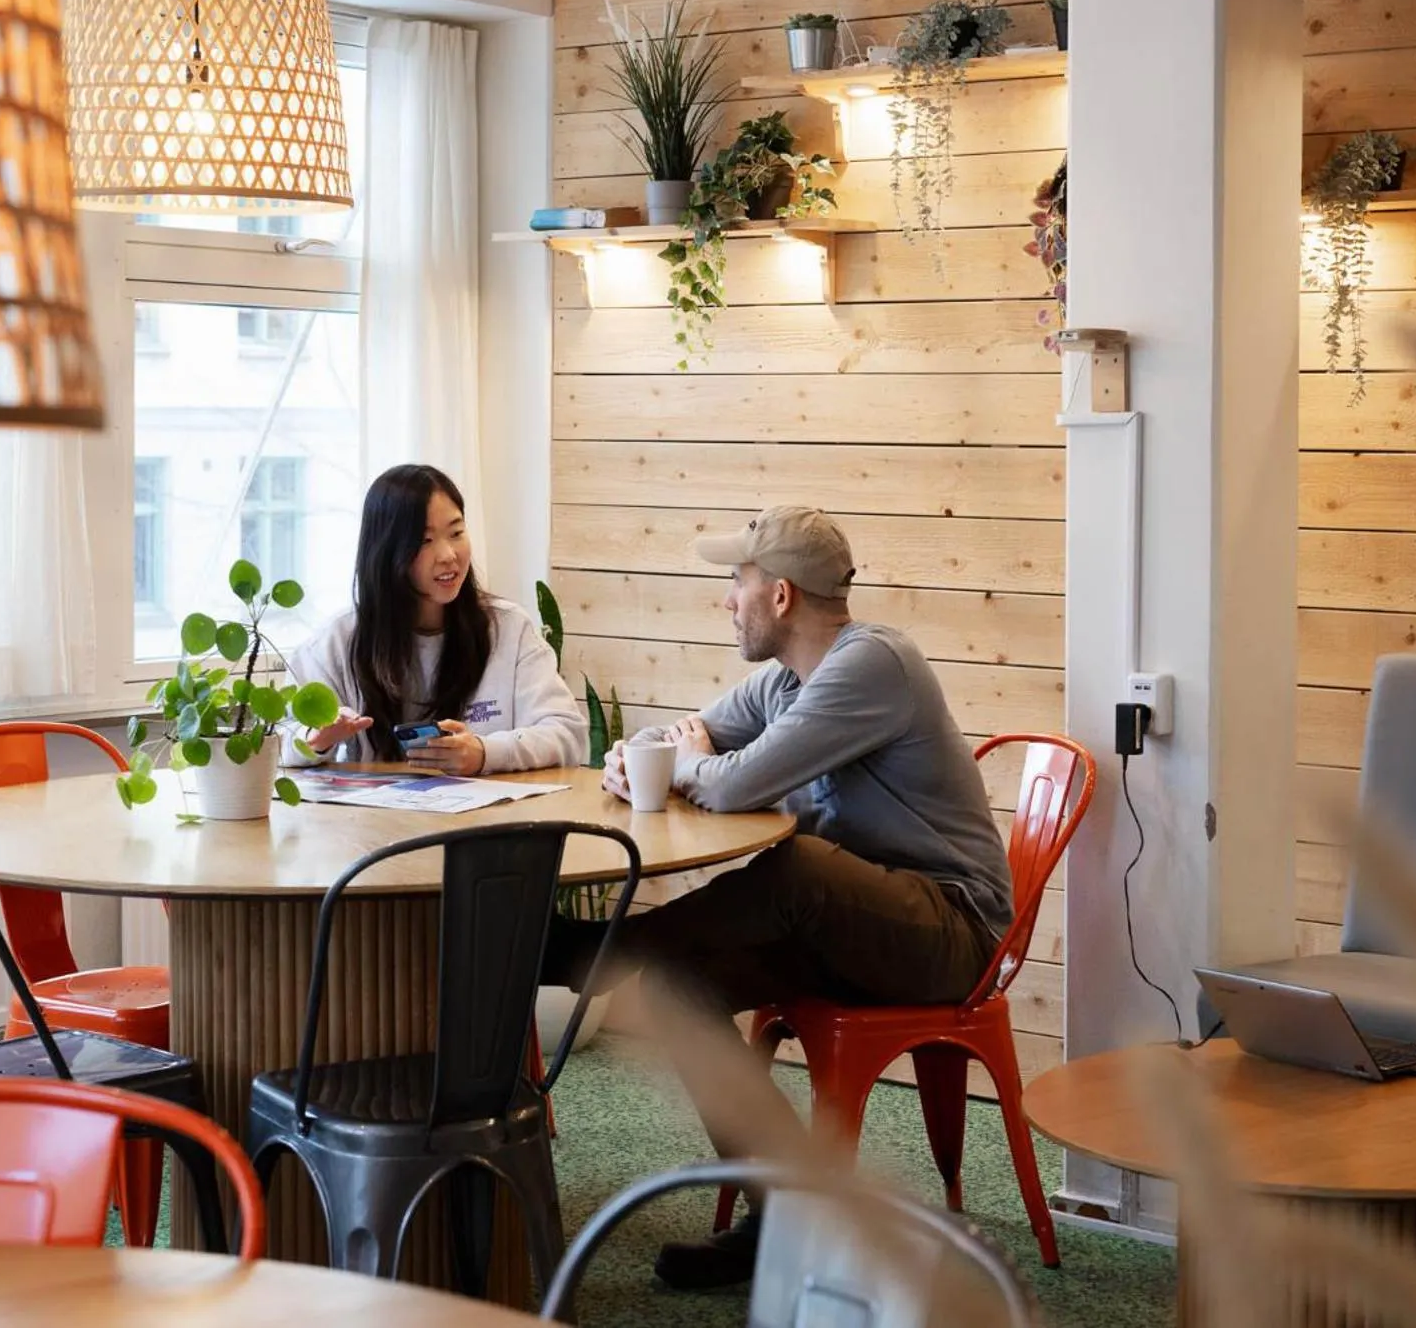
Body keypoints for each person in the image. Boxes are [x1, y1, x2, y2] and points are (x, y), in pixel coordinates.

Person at [544, 505, 1014, 1290]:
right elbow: (688, 741)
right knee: (677, 984)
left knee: (798, 868)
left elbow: (735, 785)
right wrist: (644, 756)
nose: (727, 598)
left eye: (737, 580)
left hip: (947, 929)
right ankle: (776, 1219)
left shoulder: (873, 665)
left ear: (781, 596)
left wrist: (691, 763)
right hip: (851, 926)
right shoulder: (784, 681)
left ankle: (596, 952)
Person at [285, 464, 585, 772]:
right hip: (374, 819)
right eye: (425, 541)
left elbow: (568, 733)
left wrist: (485, 752)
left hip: (490, 818)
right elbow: (279, 737)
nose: (448, 555)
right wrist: (317, 738)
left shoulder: (508, 629)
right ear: (387, 550)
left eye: (456, 533)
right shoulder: (338, 642)